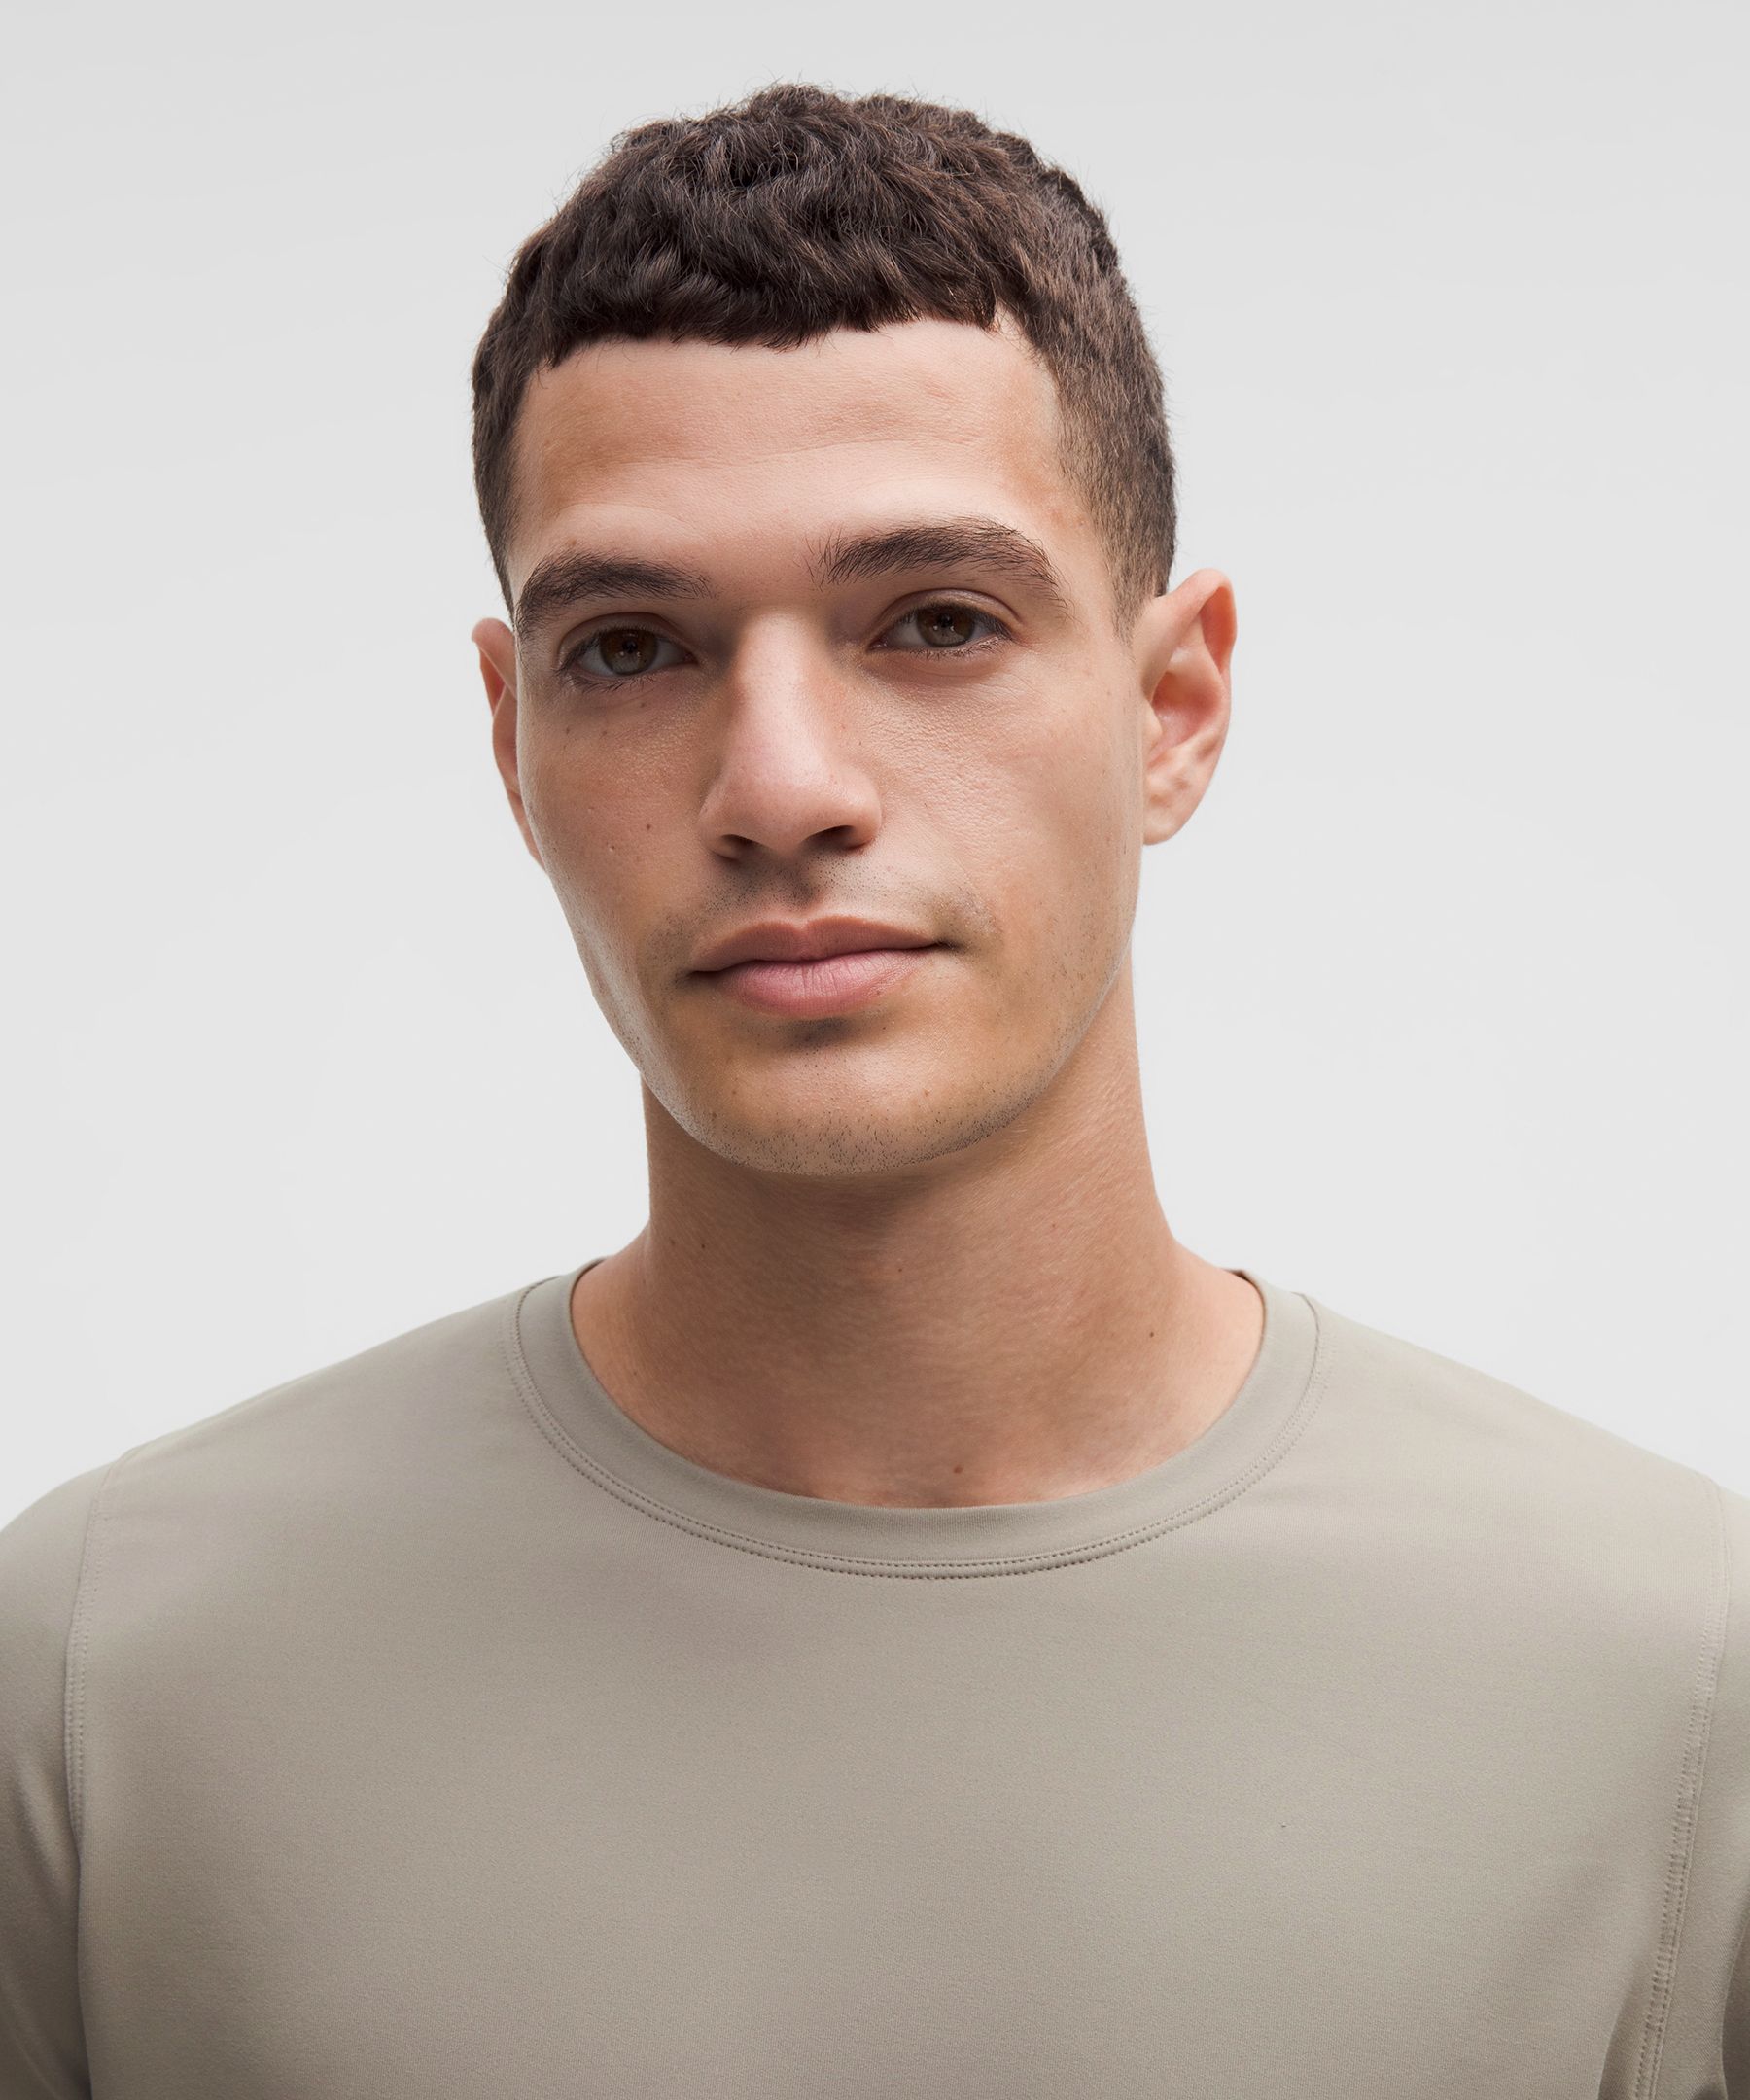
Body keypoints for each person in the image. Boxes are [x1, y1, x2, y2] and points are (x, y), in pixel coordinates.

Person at [0, 80, 1743, 2099]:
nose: (783, 789)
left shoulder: (1674, 1685)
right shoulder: (104, 1677)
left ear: (1175, 710)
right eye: (631, 649)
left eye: (936, 622)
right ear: (510, 742)